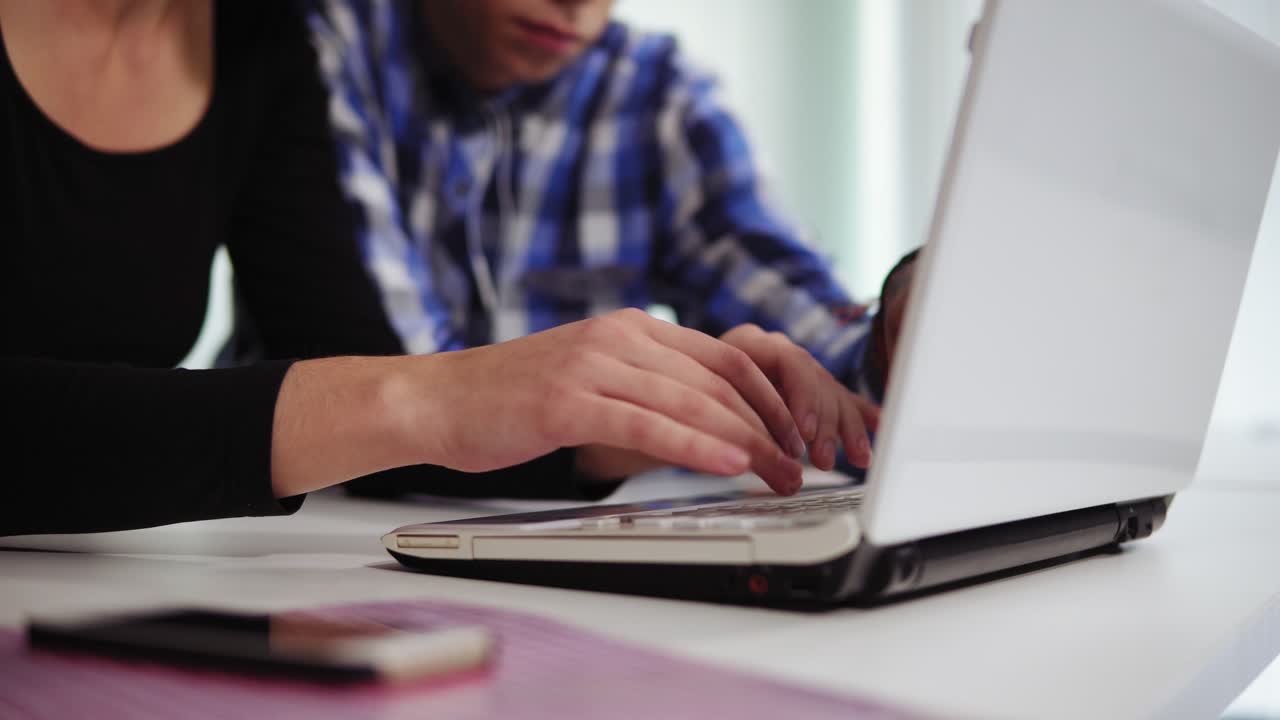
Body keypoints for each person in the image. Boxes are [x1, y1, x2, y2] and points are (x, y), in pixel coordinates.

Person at [0, 0, 872, 536]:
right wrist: (425, 398)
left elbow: (361, 386)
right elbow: (386, 401)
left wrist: (634, 409)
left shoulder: (255, 35)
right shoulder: (328, 35)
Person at [298, 0, 918, 484]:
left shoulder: (660, 93)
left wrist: (895, 341)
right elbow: (390, 384)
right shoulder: (322, 42)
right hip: (307, 519)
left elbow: (808, 346)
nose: (577, 5)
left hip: (567, 513)